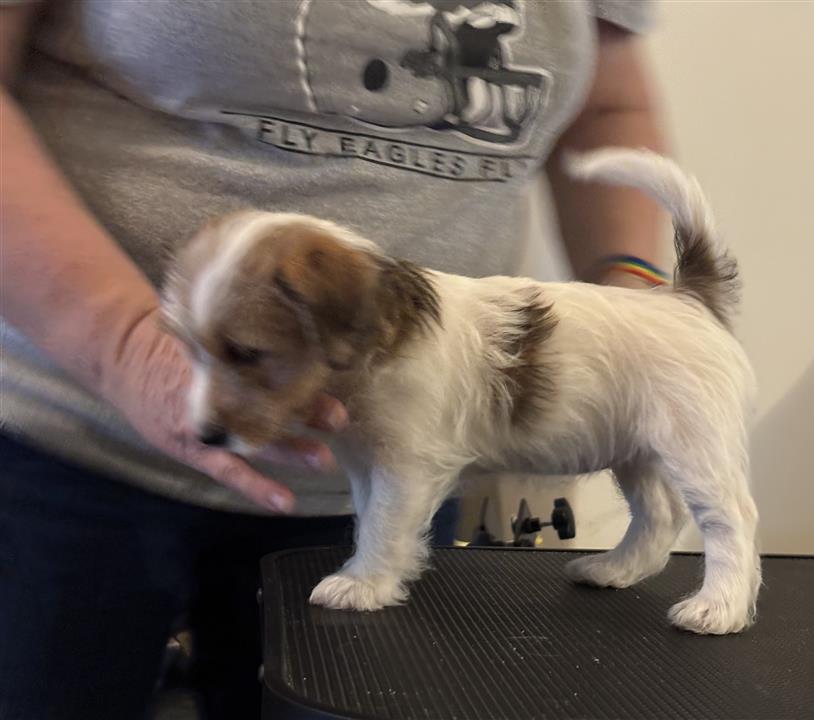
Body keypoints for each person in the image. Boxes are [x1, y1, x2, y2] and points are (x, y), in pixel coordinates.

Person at [0, 1, 666, 718]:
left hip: (388, 475)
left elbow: (606, 108)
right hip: (78, 453)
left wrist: (638, 304)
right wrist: (129, 346)